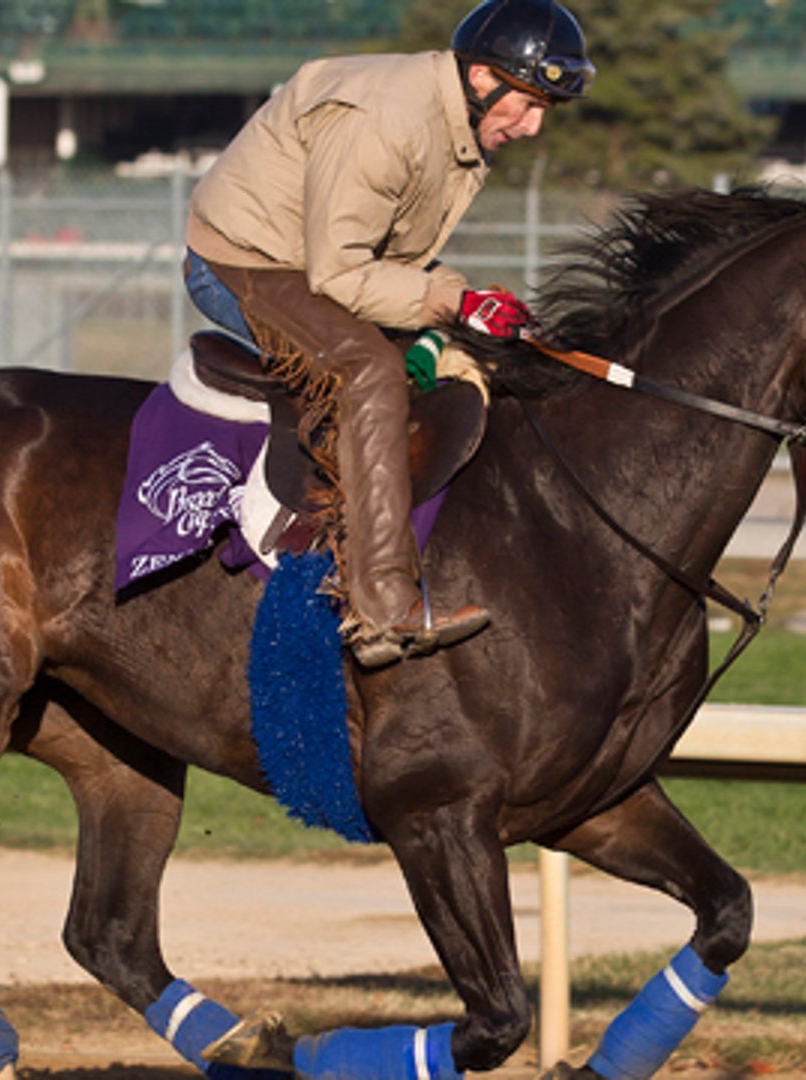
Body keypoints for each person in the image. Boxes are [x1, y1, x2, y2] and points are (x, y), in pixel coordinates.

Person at [183, 0, 593, 668]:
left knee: (475, 348)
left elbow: (396, 261)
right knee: (369, 371)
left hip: (309, 259)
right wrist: (455, 301)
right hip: (239, 261)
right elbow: (340, 271)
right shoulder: (388, 120)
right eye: (529, 103)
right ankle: (379, 608)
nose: (535, 126)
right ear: (484, 78)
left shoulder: (457, 127)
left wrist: (471, 306)